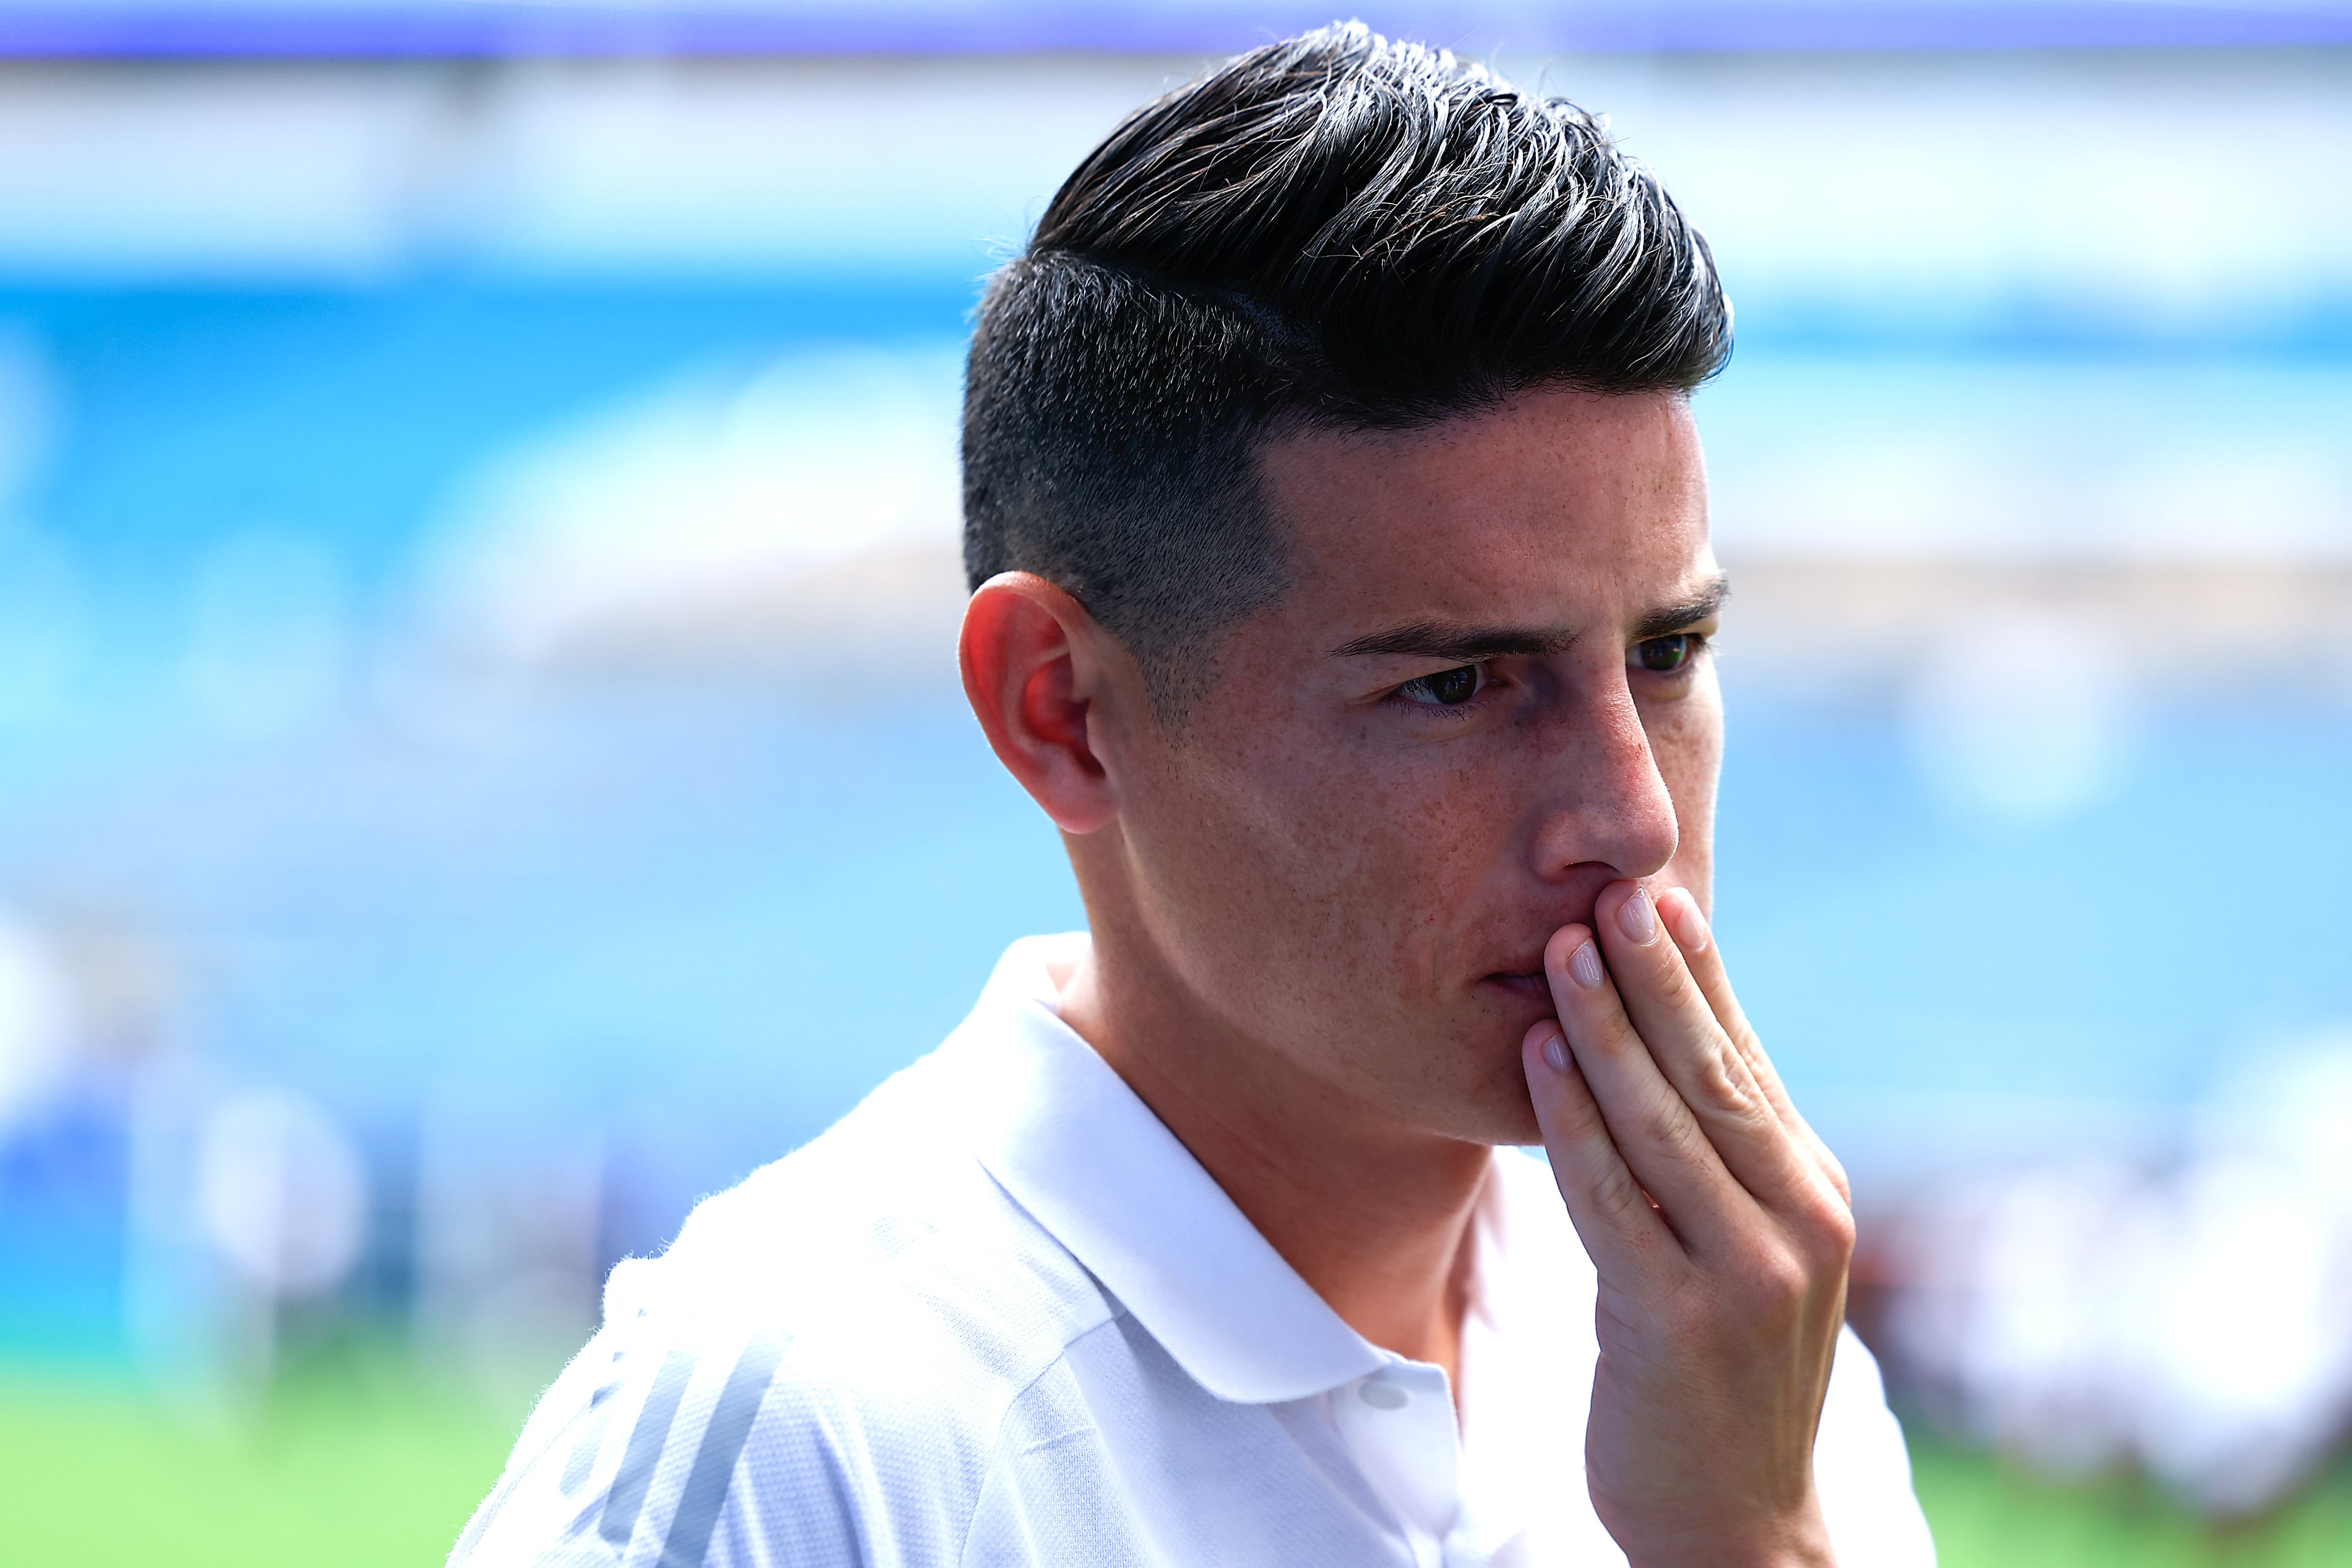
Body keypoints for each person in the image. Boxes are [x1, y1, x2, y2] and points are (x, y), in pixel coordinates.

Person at [451, 24, 1936, 1567]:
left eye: (1671, 650)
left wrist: (1748, 1536)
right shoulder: (804, 1447)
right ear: (1063, 710)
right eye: (1454, 685)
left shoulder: (1729, 1347)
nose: (1630, 817)